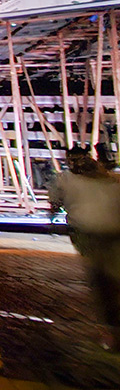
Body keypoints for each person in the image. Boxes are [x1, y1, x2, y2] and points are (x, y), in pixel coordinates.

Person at [49, 146, 120, 351]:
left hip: (89, 235)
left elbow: (55, 201)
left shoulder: (66, 179)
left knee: (102, 285)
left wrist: (53, 218)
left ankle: (111, 335)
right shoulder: (110, 179)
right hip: (114, 234)